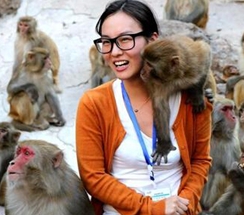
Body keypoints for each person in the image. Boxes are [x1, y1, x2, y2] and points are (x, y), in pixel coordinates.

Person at [75, 0, 212, 214]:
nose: (115, 52)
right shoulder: (95, 103)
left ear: (152, 41)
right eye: (106, 42)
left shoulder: (190, 99)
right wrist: (154, 208)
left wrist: (182, 204)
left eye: (125, 39)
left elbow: (200, 161)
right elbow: (93, 178)